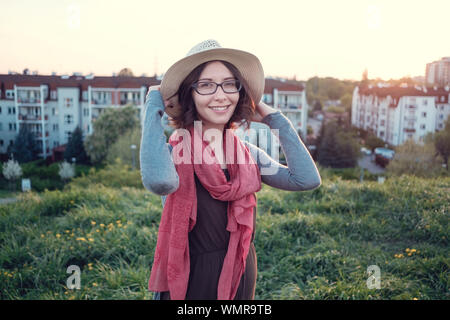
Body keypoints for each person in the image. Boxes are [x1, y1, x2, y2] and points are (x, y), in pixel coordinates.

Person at [140, 39, 321, 300]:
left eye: (229, 84)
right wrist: (153, 103)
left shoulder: (249, 156)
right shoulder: (174, 154)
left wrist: (274, 118)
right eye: (205, 85)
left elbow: (306, 178)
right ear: (188, 94)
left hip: (240, 275)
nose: (220, 94)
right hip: (190, 282)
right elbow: (160, 182)